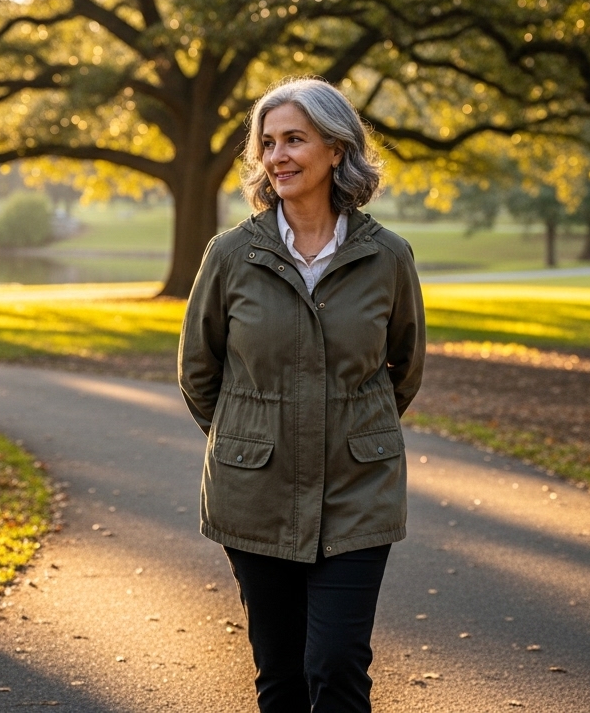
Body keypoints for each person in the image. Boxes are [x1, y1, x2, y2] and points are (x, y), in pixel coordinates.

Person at [178, 77, 425, 713]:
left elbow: (403, 365)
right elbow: (198, 370)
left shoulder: (388, 256)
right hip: (254, 493)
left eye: (295, 139)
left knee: (337, 666)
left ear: (337, 149)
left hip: (357, 492)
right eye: (268, 142)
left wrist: (350, 428)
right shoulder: (232, 254)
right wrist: (249, 435)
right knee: (282, 676)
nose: (278, 155)